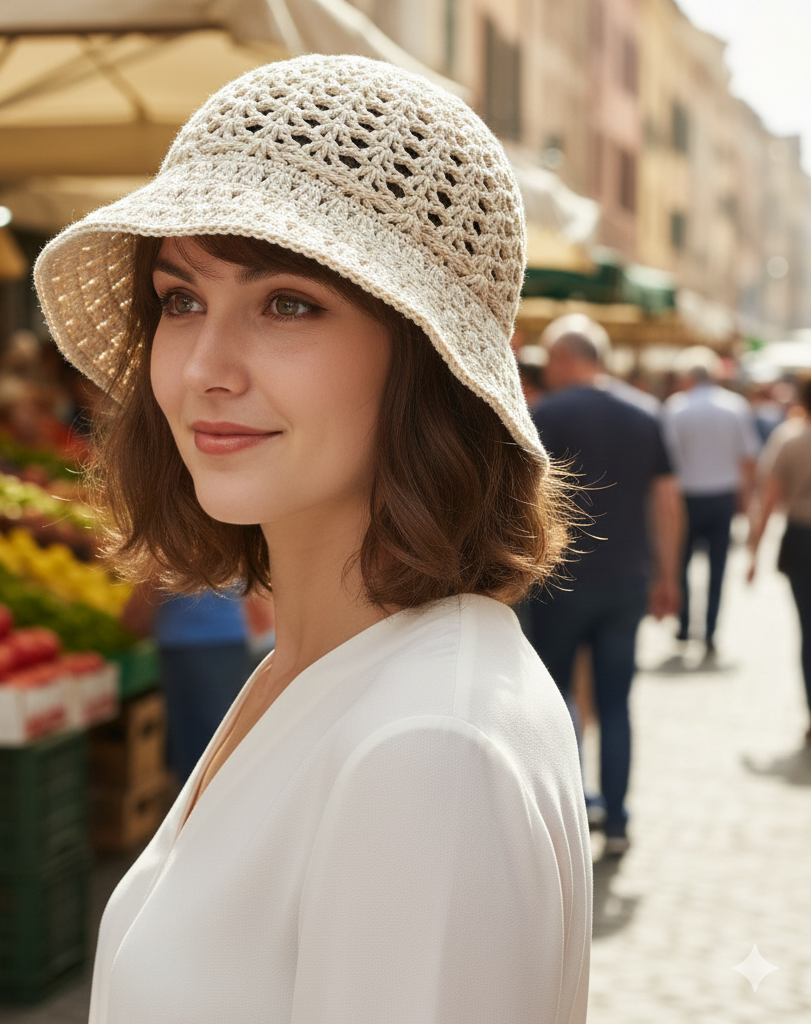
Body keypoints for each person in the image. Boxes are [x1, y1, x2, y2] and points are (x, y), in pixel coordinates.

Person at [35, 55, 590, 1023]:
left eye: (286, 303)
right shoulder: (325, 666)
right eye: (179, 299)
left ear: (425, 360)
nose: (204, 365)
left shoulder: (424, 748)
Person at [529, 315, 683, 856]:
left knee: (553, 701)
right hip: (626, 581)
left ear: (569, 358)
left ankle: (566, 820)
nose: (547, 371)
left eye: (550, 360)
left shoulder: (545, 414)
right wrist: (668, 576)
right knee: (617, 703)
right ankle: (616, 820)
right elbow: (666, 502)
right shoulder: (645, 413)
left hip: (559, 583)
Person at [662, 346, 761, 656]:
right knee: (718, 568)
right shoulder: (735, 406)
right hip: (722, 498)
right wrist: (744, 498)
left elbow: (667, 461)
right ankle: (710, 632)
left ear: (688, 376)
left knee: (682, 563)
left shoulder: (676, 407)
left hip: (686, 498)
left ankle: (683, 625)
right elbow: (747, 459)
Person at [121, 581, 259, 782]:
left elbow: (160, 563)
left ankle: (207, 810)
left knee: (201, 757)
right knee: (218, 747)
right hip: (228, 636)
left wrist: (137, 611)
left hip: (192, 642)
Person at [747, 377, 811, 744]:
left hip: (802, 540)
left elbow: (769, 498)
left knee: (808, 631)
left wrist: (755, 551)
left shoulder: (789, 438)